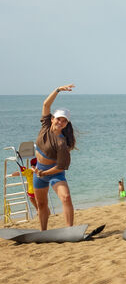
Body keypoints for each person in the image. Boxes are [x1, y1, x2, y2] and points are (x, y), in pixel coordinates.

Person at [33, 84, 76, 230]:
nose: (60, 122)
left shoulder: (62, 142)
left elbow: (60, 166)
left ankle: (69, 229)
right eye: (58, 119)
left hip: (54, 173)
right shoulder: (45, 125)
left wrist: (44, 173)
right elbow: (46, 104)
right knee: (41, 204)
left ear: (66, 124)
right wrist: (58, 90)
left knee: (66, 198)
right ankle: (43, 231)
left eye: (64, 121)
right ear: (52, 119)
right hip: (39, 171)